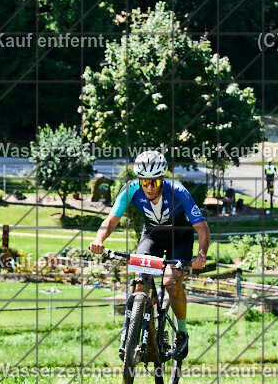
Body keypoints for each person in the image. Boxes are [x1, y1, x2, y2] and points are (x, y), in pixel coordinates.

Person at [89, 150, 210, 360]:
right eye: (145, 182)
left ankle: (182, 332)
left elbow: (202, 228)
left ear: (162, 179)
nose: (150, 188)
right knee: (139, 281)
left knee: (171, 283)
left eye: (154, 182)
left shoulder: (178, 191)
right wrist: (99, 240)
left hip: (179, 238)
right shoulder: (131, 190)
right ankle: (142, 319)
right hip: (152, 236)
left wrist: (201, 255)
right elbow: (111, 220)